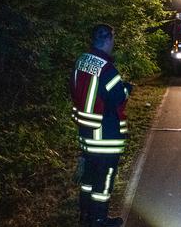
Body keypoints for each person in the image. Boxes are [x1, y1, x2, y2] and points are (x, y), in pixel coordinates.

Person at [70, 24, 132, 227]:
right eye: (113, 39)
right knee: (103, 182)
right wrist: (126, 89)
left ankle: (86, 217)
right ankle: (99, 220)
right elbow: (117, 97)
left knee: (88, 180)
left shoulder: (81, 61)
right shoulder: (107, 68)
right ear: (108, 40)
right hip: (105, 136)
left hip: (86, 132)